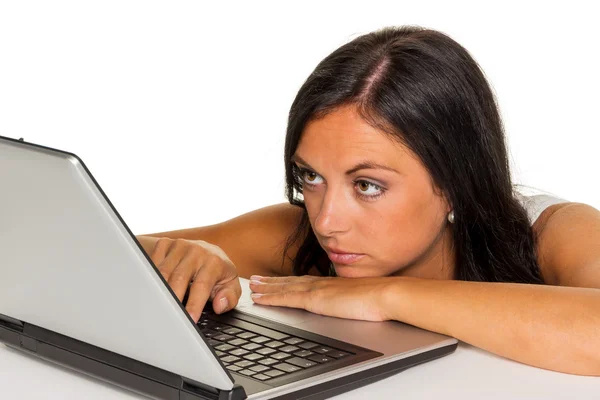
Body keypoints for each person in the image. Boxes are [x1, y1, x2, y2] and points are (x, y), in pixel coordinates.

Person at [136, 26, 600, 376]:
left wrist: (384, 296)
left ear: (457, 183)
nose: (327, 221)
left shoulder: (553, 231)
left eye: (367, 185)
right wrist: (193, 257)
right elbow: (90, 251)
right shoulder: (292, 233)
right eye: (311, 176)